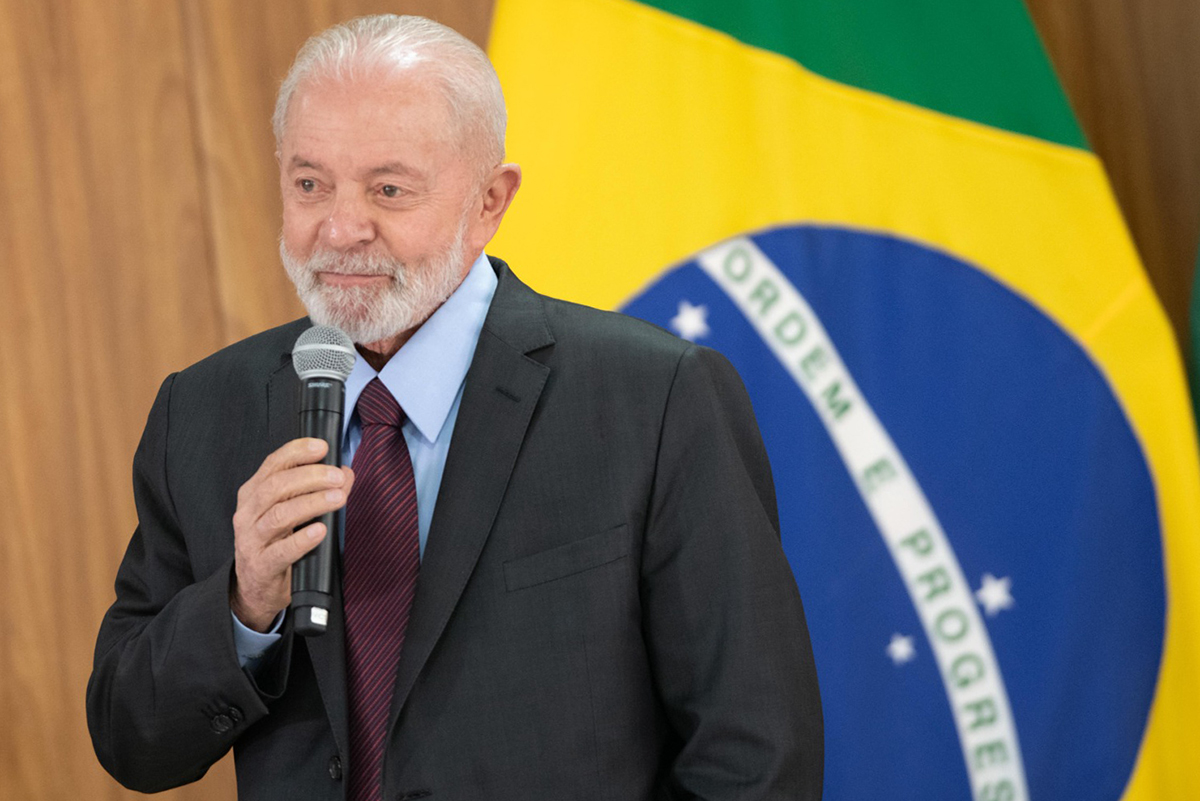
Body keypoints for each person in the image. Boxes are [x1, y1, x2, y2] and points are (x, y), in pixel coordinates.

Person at [86, 14, 822, 801]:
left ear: (489, 201)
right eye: (309, 184)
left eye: (388, 189)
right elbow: (132, 738)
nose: (340, 228)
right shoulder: (202, 410)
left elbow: (756, 757)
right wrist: (243, 603)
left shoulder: (656, 398)